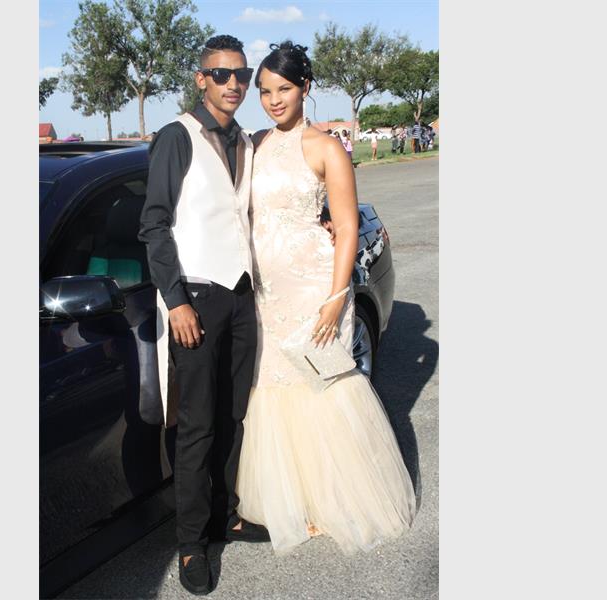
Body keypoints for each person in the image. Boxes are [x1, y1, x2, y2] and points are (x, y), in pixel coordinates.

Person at [236, 41, 415, 555]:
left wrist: (337, 297)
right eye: (265, 91)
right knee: (273, 384)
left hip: (314, 284)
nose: (273, 100)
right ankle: (291, 499)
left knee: (319, 383)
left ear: (305, 88)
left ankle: (334, 498)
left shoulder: (326, 147)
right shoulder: (255, 143)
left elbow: (348, 225)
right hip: (266, 288)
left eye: (284, 89)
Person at [138, 34, 270, 596]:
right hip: (196, 297)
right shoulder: (177, 136)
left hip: (240, 296)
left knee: (234, 415)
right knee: (197, 427)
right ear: (201, 79)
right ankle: (191, 543)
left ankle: (225, 515)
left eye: (241, 74)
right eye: (221, 74)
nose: (233, 83)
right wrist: (176, 300)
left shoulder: (245, 139)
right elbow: (154, 225)